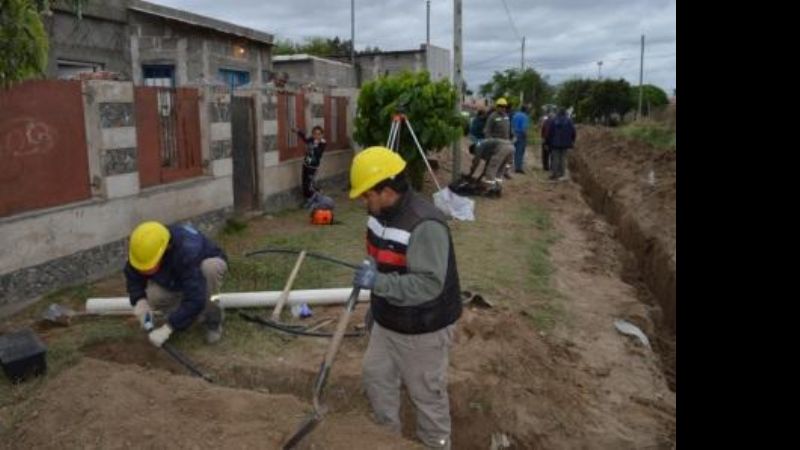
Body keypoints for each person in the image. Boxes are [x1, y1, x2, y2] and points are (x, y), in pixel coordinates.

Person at [349, 147, 462, 450]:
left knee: (427, 397)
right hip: (388, 320)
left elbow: (428, 286)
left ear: (386, 191)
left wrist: (379, 283)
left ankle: (436, 444)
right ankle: (389, 440)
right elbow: (379, 256)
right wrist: (376, 292)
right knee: (376, 377)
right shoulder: (378, 215)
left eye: (367, 195)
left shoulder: (425, 225)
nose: (364, 202)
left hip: (423, 328)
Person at [126, 221, 228, 347]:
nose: (144, 271)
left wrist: (168, 328)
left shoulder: (187, 250)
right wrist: (140, 302)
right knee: (154, 295)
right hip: (180, 271)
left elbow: (196, 298)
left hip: (204, 265)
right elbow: (133, 275)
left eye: (148, 267)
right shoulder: (142, 249)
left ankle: (213, 320)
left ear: (163, 251)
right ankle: (186, 316)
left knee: (210, 269)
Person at [481, 98, 515, 194]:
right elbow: (487, 131)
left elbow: (509, 129)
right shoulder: (492, 117)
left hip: (506, 144)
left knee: (502, 167)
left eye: (504, 107)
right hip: (496, 145)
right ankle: (490, 187)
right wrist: (489, 144)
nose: (503, 108)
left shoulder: (506, 117)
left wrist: (512, 136)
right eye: (501, 106)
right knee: (493, 165)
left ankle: (498, 185)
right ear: (497, 107)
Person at [294, 126, 327, 201]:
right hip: (306, 164)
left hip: (313, 166)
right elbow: (305, 139)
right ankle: (307, 198)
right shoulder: (311, 139)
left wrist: (315, 145)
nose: (316, 136)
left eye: (319, 134)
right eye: (315, 134)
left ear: (322, 135)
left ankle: (317, 197)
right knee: (304, 182)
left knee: (309, 184)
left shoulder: (323, 143)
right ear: (313, 134)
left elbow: (318, 153)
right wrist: (298, 131)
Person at [545, 108, 577, 181]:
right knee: (563, 158)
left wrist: (547, 142)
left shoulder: (554, 120)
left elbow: (549, 132)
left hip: (555, 143)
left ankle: (555, 174)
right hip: (565, 143)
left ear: (558, 113)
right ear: (565, 113)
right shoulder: (569, 121)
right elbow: (573, 132)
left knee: (555, 158)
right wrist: (572, 141)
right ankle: (562, 174)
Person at [511, 105, 531, 173]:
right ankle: (518, 168)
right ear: (526, 110)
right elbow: (524, 128)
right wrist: (526, 136)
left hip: (515, 135)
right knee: (520, 152)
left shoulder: (515, 115)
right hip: (521, 136)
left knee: (515, 151)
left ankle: (514, 165)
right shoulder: (525, 117)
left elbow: (512, 125)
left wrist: (513, 134)